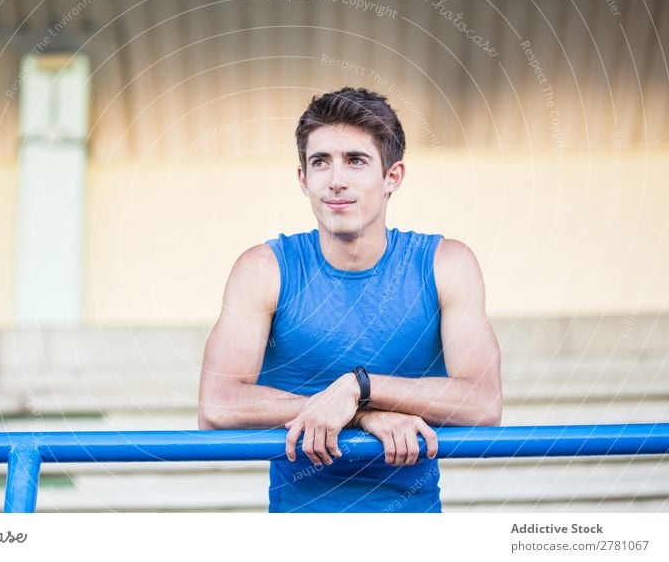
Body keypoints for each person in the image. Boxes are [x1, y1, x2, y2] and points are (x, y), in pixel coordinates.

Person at [198, 86, 502, 512]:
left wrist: (360, 386)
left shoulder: (445, 264)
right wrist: (359, 414)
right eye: (320, 162)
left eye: (356, 161)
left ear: (392, 176)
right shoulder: (263, 269)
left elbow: (483, 403)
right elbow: (216, 407)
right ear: (303, 179)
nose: (335, 180)